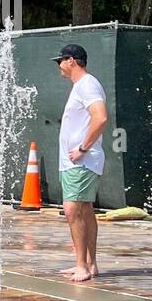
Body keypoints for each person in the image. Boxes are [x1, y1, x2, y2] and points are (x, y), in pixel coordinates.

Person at [54, 43, 108, 283]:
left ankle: (82, 266)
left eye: (60, 61)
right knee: (84, 209)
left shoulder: (87, 85)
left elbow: (101, 117)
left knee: (73, 209)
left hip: (82, 161)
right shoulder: (82, 86)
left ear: (71, 61)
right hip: (76, 162)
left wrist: (83, 148)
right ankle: (89, 264)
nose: (59, 66)